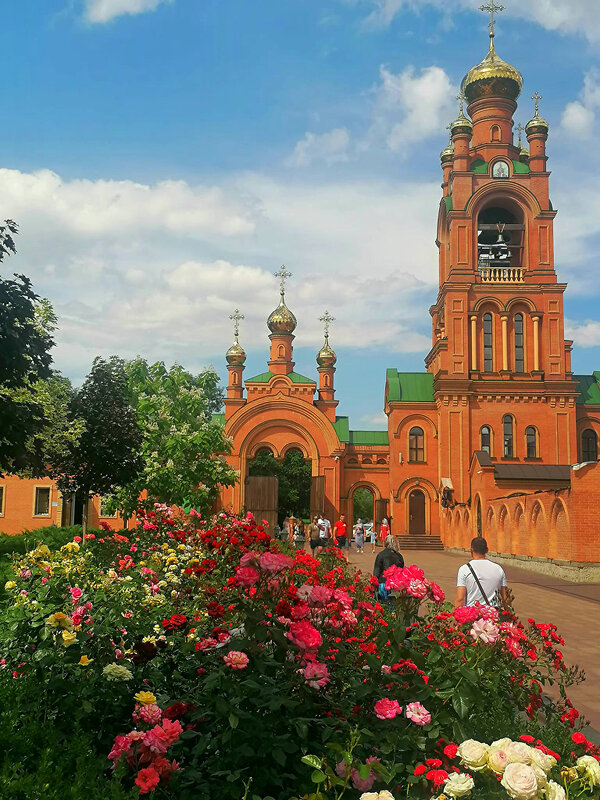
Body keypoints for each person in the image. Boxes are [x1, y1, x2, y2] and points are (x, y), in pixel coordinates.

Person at [454, 537, 508, 609]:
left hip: (473, 614)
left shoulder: (464, 569)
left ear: (471, 550)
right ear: (487, 550)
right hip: (493, 614)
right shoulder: (498, 569)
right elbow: (505, 598)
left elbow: (460, 599)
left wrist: (458, 616)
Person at [373, 535, 404, 602]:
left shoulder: (381, 555)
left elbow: (376, 572)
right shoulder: (399, 556)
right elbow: (402, 571)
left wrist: (374, 584)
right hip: (396, 585)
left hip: (383, 584)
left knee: (384, 605)